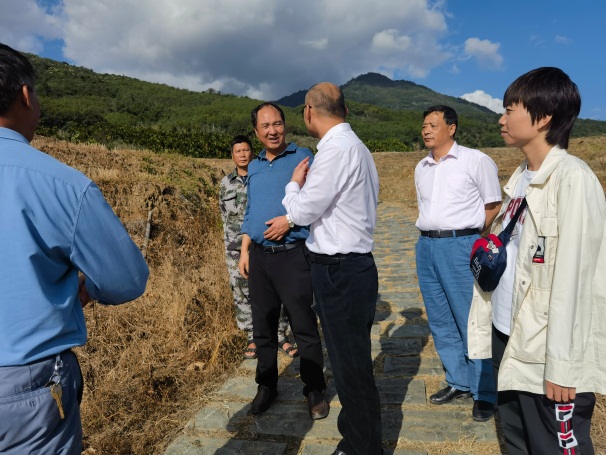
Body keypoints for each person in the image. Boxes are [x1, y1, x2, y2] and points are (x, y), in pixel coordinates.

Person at [0, 43, 149, 454]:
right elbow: (126, 278)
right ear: (25, 95)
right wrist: (86, 289)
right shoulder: (61, 183)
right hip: (26, 385)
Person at [469, 67, 606, 454]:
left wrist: (563, 365)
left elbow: (577, 279)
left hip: (547, 351)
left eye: (509, 109)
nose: (501, 119)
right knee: (516, 440)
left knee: (552, 445)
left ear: (543, 117)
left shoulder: (572, 179)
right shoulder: (521, 178)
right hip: (509, 335)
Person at [283, 82, 383, 455]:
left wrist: (293, 186)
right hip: (350, 267)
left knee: (350, 367)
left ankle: (363, 447)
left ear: (309, 111)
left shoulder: (335, 150)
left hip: (339, 269)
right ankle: (357, 439)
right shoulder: (356, 147)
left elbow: (302, 211)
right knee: (350, 363)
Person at [238, 102, 328, 419]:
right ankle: (266, 386)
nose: (273, 131)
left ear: (285, 125)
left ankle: (314, 388)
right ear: (256, 132)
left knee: (303, 325)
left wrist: (289, 222)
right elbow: (251, 209)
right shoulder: (255, 166)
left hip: (293, 255)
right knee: (263, 328)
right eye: (265, 126)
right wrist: (245, 249)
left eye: (277, 123)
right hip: (260, 258)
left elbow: (317, 200)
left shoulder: (303, 156)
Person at [414, 105, 501, 421]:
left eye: (433, 124)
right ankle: (458, 381)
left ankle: (484, 392)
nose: (426, 130)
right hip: (426, 245)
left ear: (451, 128)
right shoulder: (421, 167)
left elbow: (493, 204)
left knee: (471, 319)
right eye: (424, 125)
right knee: (440, 317)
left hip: (461, 244)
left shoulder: (475, 160)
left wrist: (471, 238)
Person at [219, 135, 298, 359]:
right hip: (235, 248)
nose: (242, 155)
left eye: (246, 150)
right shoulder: (226, 183)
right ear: (232, 156)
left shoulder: (261, 176)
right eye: (238, 151)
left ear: (252, 153)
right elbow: (224, 215)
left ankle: (280, 335)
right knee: (241, 291)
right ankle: (252, 336)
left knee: (276, 289)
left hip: (264, 242)